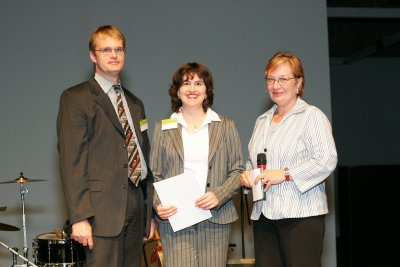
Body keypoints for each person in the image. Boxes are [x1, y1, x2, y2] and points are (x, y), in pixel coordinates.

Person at [57, 25, 155, 267]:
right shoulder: (75, 98)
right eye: (106, 49)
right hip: (99, 213)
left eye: (119, 49)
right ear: (93, 55)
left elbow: (145, 157)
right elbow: (72, 161)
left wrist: (148, 212)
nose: (114, 55)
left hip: (135, 208)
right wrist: (79, 217)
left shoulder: (135, 103)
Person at [240, 51, 337, 267]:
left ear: (299, 82)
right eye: (271, 79)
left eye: (283, 79)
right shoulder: (262, 120)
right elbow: (254, 161)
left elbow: (326, 160)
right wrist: (247, 176)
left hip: (301, 217)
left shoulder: (312, 116)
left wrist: (284, 173)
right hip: (264, 216)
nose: (276, 85)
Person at [150, 62, 244, 267]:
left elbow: (238, 171)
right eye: (186, 83)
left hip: (216, 218)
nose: (192, 89)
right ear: (177, 91)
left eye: (198, 83)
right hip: (176, 219)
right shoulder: (162, 129)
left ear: (207, 90)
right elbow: (154, 175)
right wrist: (158, 205)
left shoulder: (226, 126)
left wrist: (218, 195)